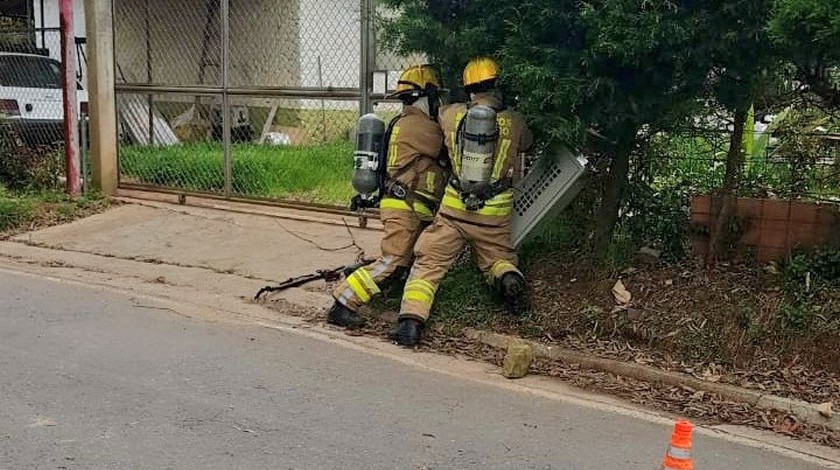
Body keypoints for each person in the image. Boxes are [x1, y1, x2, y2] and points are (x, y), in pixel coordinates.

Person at [390, 57, 534, 346]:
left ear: (468, 89)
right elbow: (528, 142)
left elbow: (437, 124)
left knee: (429, 262)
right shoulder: (515, 121)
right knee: (497, 256)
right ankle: (508, 278)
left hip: (455, 207)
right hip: (494, 211)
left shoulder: (451, 114)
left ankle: (410, 325)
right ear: (497, 85)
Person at [327, 65, 448, 328]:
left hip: (407, 203)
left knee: (400, 260)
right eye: (436, 97)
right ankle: (343, 302)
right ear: (426, 95)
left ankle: (373, 293)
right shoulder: (420, 126)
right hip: (404, 205)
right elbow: (448, 145)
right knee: (391, 261)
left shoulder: (405, 121)